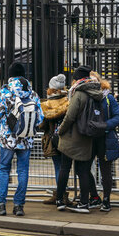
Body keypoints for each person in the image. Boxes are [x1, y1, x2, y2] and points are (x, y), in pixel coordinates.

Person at [0, 62, 43, 217]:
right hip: (26, 138)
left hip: (7, 138)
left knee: (4, 169)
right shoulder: (32, 94)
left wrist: (5, 122)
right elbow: (40, 119)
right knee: (23, 170)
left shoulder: (5, 92)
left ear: (10, 75)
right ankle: (19, 206)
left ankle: (0, 205)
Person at [55, 65, 101, 213]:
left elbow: (70, 116)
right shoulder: (96, 92)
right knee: (83, 171)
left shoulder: (79, 93)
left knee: (64, 168)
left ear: (78, 79)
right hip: (88, 136)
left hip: (72, 137)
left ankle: (60, 200)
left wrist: (60, 131)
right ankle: (84, 203)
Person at [87, 72, 119, 212]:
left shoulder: (109, 98)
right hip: (89, 139)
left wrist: (105, 125)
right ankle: (94, 197)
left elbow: (118, 117)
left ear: (100, 82)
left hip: (105, 139)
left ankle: (106, 199)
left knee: (105, 171)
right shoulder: (86, 97)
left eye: (95, 81)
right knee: (83, 169)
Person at [39, 74, 70, 205]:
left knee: (58, 167)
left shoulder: (46, 105)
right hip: (67, 138)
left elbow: (41, 125)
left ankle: (59, 196)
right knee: (65, 167)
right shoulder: (68, 102)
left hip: (53, 139)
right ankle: (62, 195)